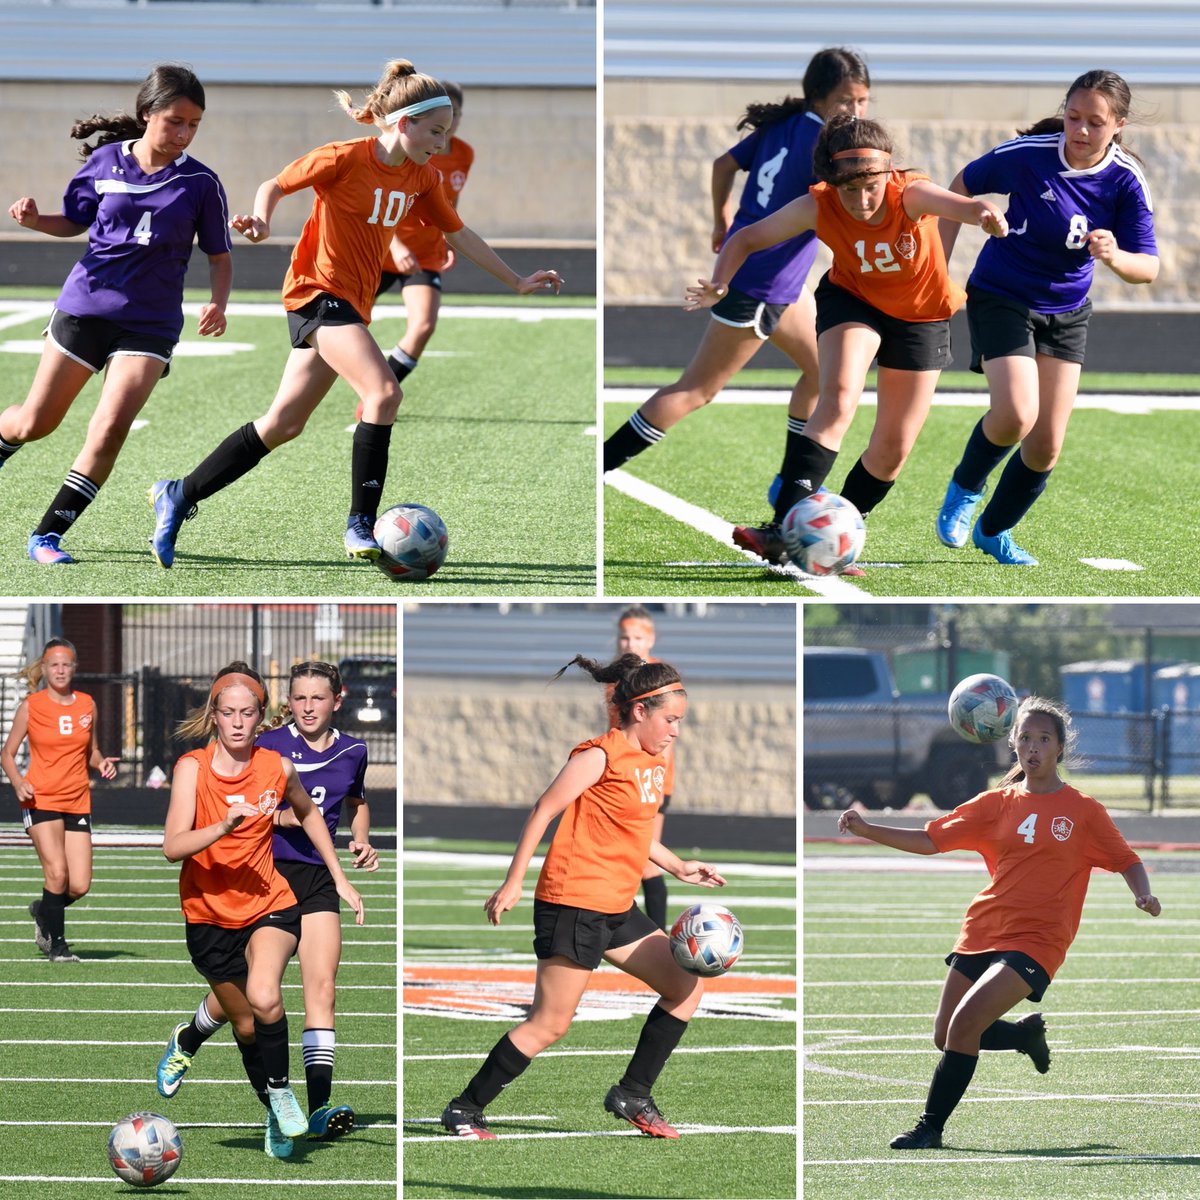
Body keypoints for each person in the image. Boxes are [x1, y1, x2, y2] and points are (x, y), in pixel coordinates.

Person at [148, 58, 561, 569]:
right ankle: (360, 523)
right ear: (402, 121)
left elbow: (459, 232)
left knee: (282, 424)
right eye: (434, 131)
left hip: (350, 304)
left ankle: (180, 493)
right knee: (384, 391)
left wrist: (515, 279)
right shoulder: (344, 157)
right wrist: (260, 221)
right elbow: (274, 184)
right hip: (315, 292)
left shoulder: (423, 177)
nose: (441, 143)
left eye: (447, 133)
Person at [837, 695, 1160, 1150]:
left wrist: (1142, 892)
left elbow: (1126, 859)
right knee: (944, 1033)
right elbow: (932, 839)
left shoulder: (1083, 811)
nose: (1033, 747)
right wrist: (868, 829)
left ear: (1060, 748)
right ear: (1011, 743)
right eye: (1025, 737)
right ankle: (1026, 1036)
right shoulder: (995, 803)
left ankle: (930, 1128)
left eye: (1043, 739)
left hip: (1039, 940)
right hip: (984, 928)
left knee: (965, 1025)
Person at [684, 115, 1008, 569]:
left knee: (893, 448)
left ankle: (840, 532)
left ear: (889, 174)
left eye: (870, 186)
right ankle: (782, 531)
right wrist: (721, 284)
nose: (860, 199)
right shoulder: (817, 204)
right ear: (830, 181)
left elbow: (962, 206)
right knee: (837, 401)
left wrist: (984, 214)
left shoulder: (910, 193)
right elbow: (747, 239)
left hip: (921, 318)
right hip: (853, 300)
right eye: (848, 188)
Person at [440, 653, 726, 1141]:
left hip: (615, 904)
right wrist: (513, 882)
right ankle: (464, 1109)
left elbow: (633, 828)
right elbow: (542, 810)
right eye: (670, 720)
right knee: (549, 1025)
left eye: (680, 720)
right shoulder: (598, 755)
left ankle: (633, 1094)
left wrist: (678, 866)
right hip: (573, 902)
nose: (676, 730)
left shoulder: (654, 762)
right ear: (639, 711)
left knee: (686, 987)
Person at [603, 48, 870, 483]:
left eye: (863, 101)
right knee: (696, 390)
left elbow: (722, 164)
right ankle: (600, 463)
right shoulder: (826, 145)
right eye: (846, 101)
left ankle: (788, 483)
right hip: (759, 284)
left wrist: (721, 219)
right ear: (818, 98)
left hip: (776, 281)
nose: (855, 111)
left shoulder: (782, 125)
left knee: (823, 373)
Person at [1, 64, 231, 565]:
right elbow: (75, 221)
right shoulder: (105, 162)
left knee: (108, 429)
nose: (184, 133)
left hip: (150, 323)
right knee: (33, 424)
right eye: (175, 121)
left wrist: (218, 300)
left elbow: (219, 255)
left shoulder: (201, 182)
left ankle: (47, 536)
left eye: (194, 125)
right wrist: (37, 221)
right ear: (147, 114)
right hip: (84, 308)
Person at [935, 70, 1158, 565]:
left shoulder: (1125, 180)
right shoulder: (1029, 155)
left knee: (1045, 446)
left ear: (1118, 125)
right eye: (1073, 117)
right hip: (1002, 294)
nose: (1079, 130)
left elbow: (1148, 268)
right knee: (1016, 414)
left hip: (1068, 310)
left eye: (1094, 123)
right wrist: (939, 272)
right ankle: (964, 491)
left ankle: (994, 531)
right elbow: (958, 188)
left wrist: (1115, 256)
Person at [155, 660, 377, 1141]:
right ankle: (193, 1041)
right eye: (229, 712)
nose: (238, 722)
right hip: (212, 908)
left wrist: (341, 872)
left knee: (279, 994)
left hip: (274, 894)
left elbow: (321, 810)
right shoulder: (194, 767)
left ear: (261, 716)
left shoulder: (283, 763)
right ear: (215, 714)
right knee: (246, 1022)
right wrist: (228, 826)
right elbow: (173, 846)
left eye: (248, 713)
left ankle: (299, 1101)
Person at [1, 637, 118, 962]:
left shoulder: (87, 704)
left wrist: (102, 762)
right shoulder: (32, 705)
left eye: (66, 664)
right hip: (40, 798)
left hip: (77, 799)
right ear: (45, 667)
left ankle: (43, 910)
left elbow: (91, 752)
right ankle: (59, 946)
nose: (61, 670)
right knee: (56, 873)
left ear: (75, 668)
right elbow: (7, 754)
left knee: (79, 884)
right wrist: (18, 782)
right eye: (54, 664)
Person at [374, 79, 474, 387]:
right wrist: (395, 245)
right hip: (381, 248)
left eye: (456, 113)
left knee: (423, 325)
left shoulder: (464, 154)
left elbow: (449, 205)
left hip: (425, 254)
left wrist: (449, 239)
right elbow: (375, 206)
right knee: (348, 323)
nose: (450, 121)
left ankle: (381, 392)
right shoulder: (407, 150)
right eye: (445, 114)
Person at [611, 606, 674, 931]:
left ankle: (658, 937)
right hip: (625, 779)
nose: (629, 643)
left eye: (637, 637)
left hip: (650, 780)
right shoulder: (616, 681)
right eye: (624, 637)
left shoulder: (659, 677)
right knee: (631, 857)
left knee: (647, 860)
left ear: (650, 640)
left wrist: (656, 776)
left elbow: (668, 735)